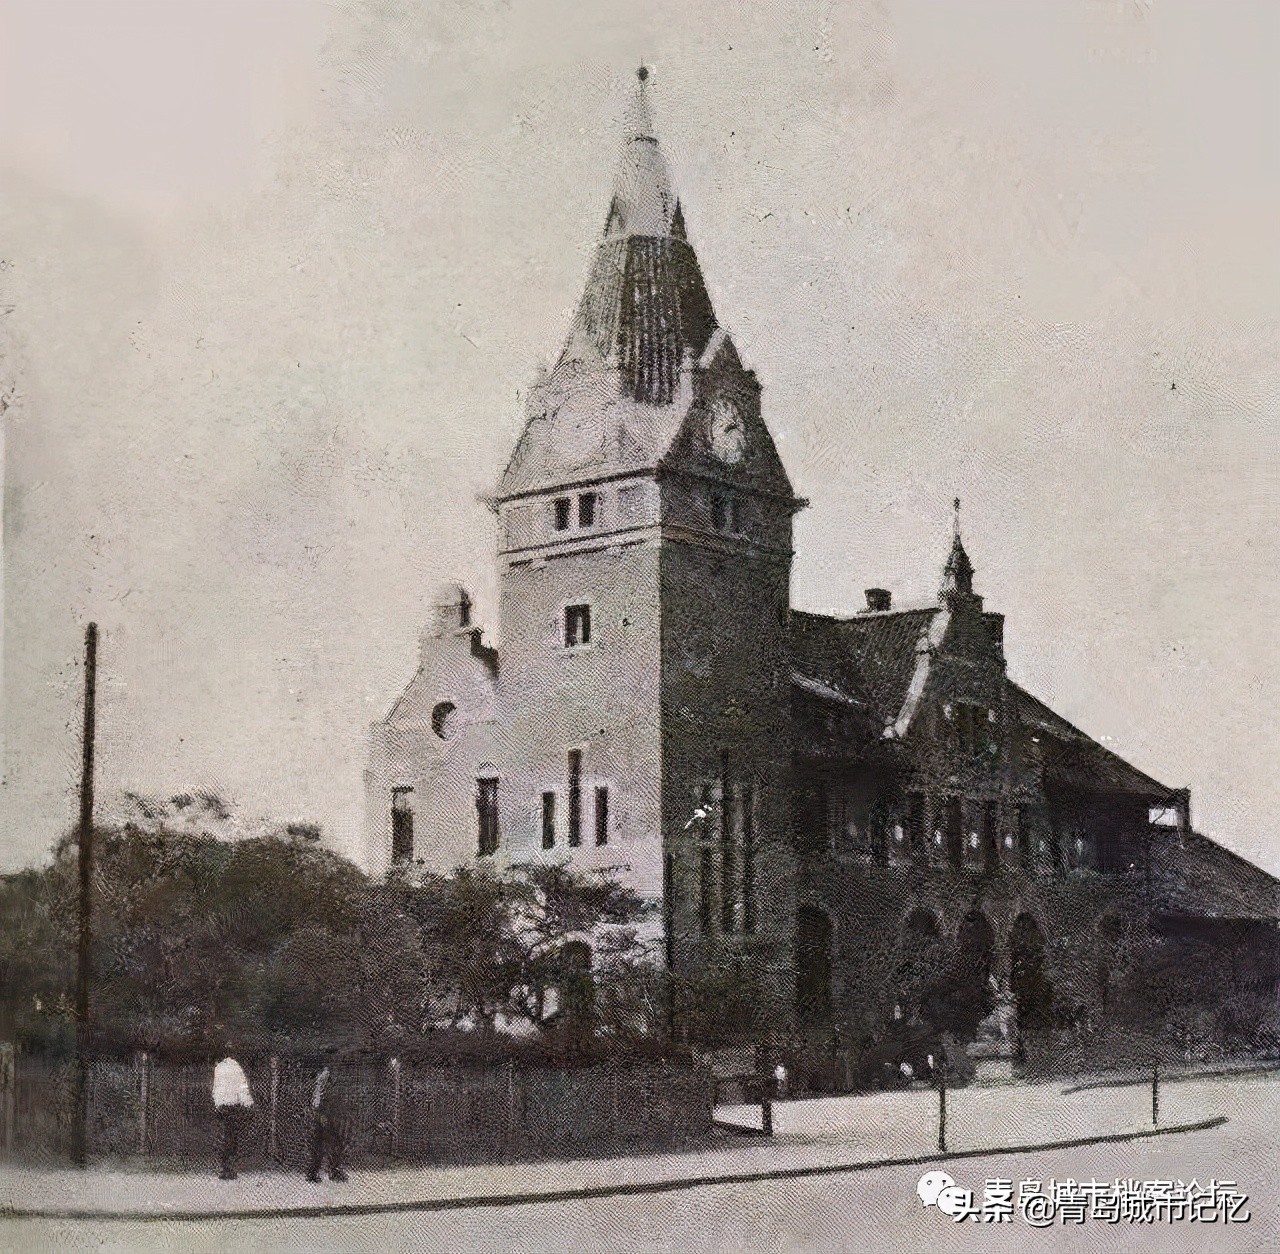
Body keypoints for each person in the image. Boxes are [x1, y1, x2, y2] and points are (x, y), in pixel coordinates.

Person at [306, 1048, 349, 1183]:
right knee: (325, 1144)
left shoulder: (328, 1075)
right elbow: (320, 1097)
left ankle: (327, 1171)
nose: (338, 1062)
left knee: (330, 1143)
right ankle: (324, 1172)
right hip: (322, 1114)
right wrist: (321, 1114)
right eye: (335, 1059)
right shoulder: (325, 1076)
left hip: (326, 1114)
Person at [211, 1054, 254, 1180]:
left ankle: (224, 1168)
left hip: (222, 1106)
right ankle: (231, 1168)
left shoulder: (218, 1068)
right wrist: (248, 1102)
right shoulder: (237, 1068)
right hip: (233, 1107)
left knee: (224, 1137)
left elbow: (216, 1088)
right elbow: (242, 1088)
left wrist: (217, 1103)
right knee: (232, 1138)